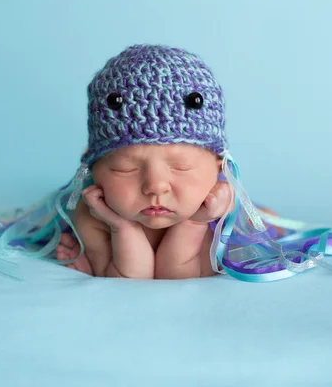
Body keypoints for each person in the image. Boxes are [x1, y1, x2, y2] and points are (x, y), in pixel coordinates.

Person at [53, 44, 275, 279]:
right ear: (91, 168)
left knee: (259, 224)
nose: (156, 186)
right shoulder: (93, 215)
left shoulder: (217, 212)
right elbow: (127, 280)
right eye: (125, 169)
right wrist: (122, 228)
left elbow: (179, 277)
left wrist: (196, 224)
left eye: (182, 167)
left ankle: (265, 215)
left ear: (221, 166)